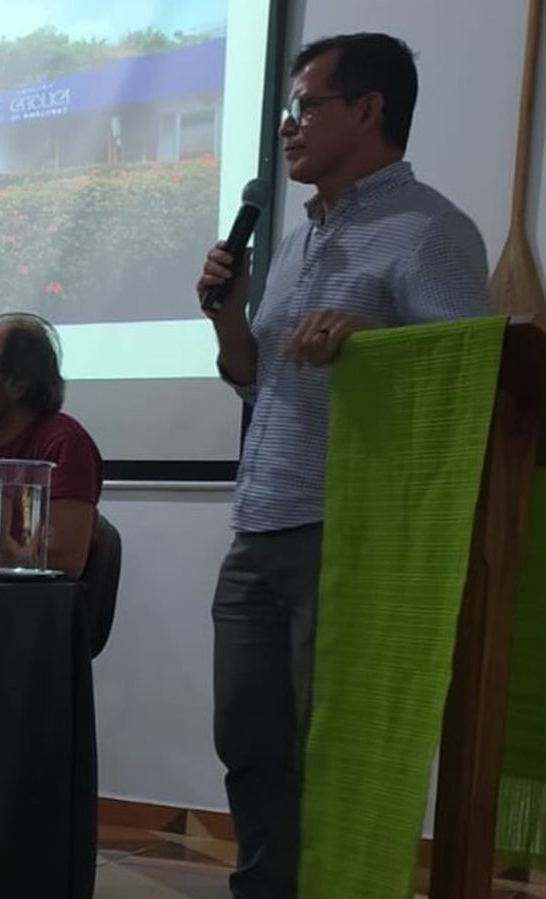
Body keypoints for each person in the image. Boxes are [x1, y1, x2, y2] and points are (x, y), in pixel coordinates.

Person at [196, 33, 491, 899]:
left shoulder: (433, 231)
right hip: (259, 523)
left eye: (303, 107)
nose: (287, 126)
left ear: (368, 110)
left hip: (347, 533)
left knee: (331, 754)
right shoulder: (291, 244)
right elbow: (264, 384)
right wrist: (227, 324)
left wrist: (374, 342)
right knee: (247, 744)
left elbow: (463, 378)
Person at [0, 313, 102, 577]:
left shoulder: (64, 443)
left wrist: (3, 549)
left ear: (19, 383)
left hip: (23, 611)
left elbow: (66, 563)